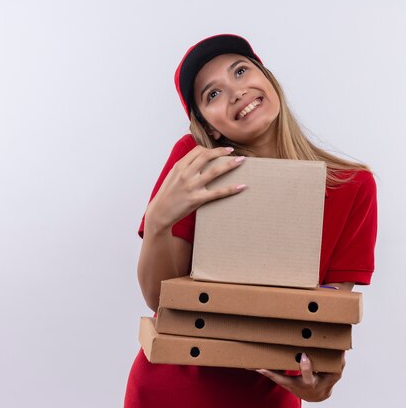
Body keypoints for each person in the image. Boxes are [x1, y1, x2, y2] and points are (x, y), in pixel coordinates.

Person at [124, 34, 377, 408]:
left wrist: (322, 379)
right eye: (212, 94)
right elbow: (159, 299)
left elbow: (327, 319)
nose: (236, 91)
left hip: (266, 397)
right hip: (169, 390)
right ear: (209, 127)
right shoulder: (194, 163)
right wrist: (158, 219)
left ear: (269, 80)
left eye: (241, 71)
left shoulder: (352, 188)